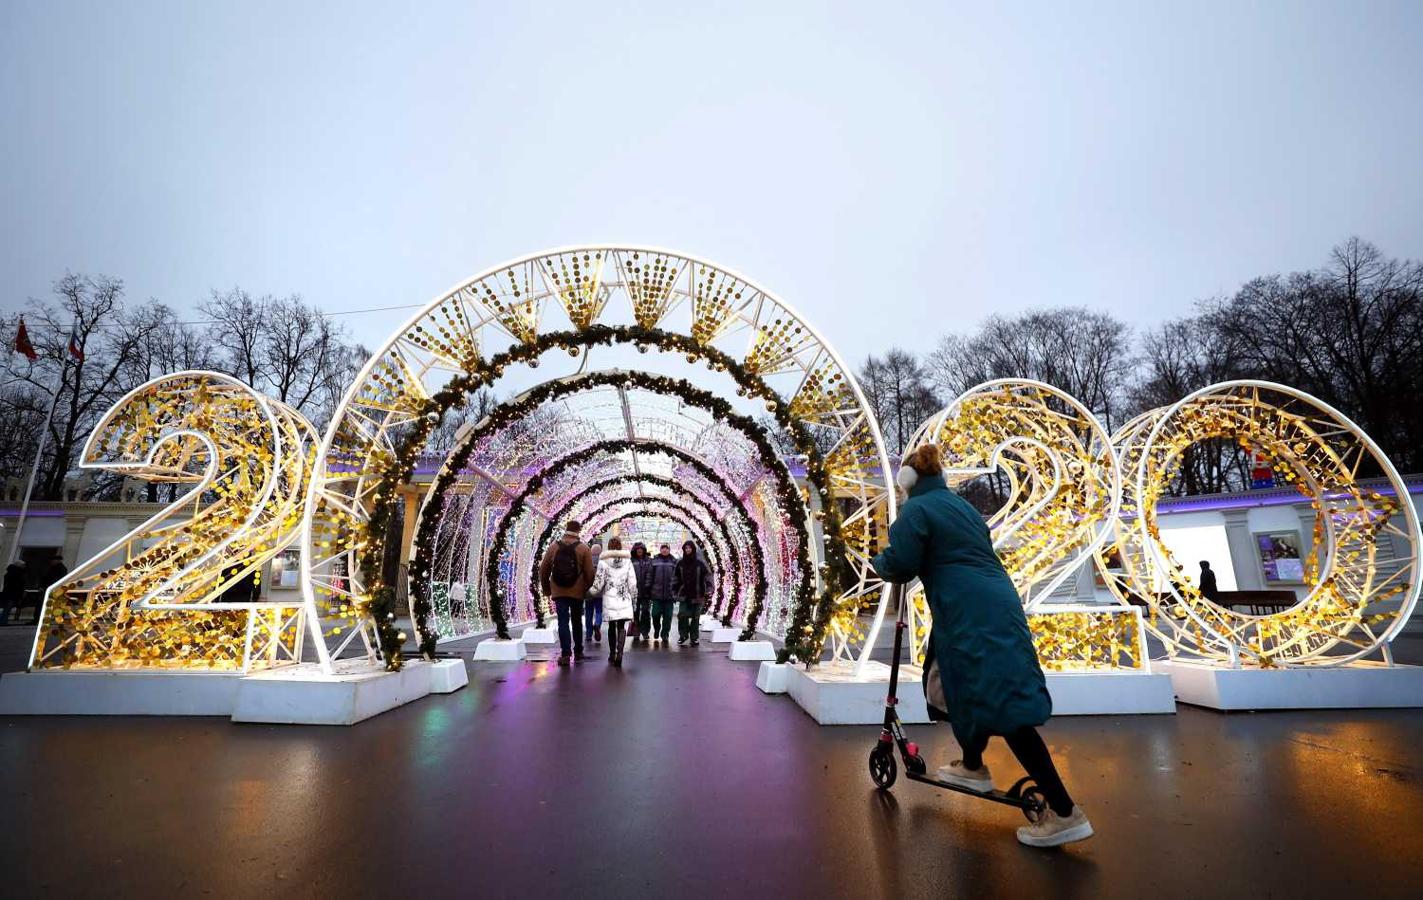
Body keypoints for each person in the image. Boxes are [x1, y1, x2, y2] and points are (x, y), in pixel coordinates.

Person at [871, 444, 1092, 849]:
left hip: (966, 611)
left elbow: (901, 561)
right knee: (958, 683)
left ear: (907, 481)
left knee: (1003, 702)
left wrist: (879, 563)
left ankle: (1064, 812)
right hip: (996, 603)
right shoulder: (963, 508)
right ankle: (972, 765)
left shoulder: (916, 511)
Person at [538, 520, 596, 666]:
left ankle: (565, 654)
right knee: (577, 621)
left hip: (559, 591)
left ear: (566, 529)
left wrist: (547, 589)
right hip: (577, 592)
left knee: (563, 622)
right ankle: (578, 651)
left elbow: (543, 570)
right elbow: (589, 572)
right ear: (578, 531)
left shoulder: (553, 547)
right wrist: (587, 589)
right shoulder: (583, 548)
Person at [589, 538, 638, 666]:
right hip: (623, 597)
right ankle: (620, 653)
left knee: (611, 626)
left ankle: (612, 653)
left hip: (610, 597)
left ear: (609, 547)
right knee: (621, 626)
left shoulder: (603, 562)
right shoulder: (627, 561)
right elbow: (632, 582)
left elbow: (598, 582)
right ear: (620, 546)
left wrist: (590, 592)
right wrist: (634, 597)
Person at [673, 540, 711, 646]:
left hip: (698, 594)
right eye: (686, 548)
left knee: (695, 617)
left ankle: (694, 638)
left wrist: (708, 588)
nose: (688, 550)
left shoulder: (700, 563)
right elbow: (675, 578)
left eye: (689, 548)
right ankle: (683, 635)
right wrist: (674, 591)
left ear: (693, 549)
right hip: (684, 594)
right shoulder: (680, 563)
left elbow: (708, 576)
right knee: (682, 615)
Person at [648, 544, 678, 644]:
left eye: (666, 549)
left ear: (669, 550)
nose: (665, 550)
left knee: (668, 617)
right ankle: (657, 629)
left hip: (670, 595)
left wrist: (676, 591)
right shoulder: (654, 561)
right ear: (660, 550)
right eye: (663, 549)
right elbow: (650, 576)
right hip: (656, 594)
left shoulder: (674, 561)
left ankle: (665, 634)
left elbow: (677, 577)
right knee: (655, 614)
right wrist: (649, 588)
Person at [630, 542, 653, 645]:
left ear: (644, 550)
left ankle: (645, 631)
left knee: (645, 612)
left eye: (641, 549)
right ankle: (636, 631)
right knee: (635, 613)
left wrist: (648, 587)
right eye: (637, 549)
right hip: (634, 592)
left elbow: (650, 574)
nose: (639, 550)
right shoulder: (631, 561)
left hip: (645, 592)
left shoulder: (649, 561)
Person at [584, 541, 604, 645]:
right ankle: (597, 624)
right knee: (599, 611)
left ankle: (588, 633)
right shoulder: (604, 562)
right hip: (599, 592)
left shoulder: (587, 560)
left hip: (588, 592)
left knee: (588, 612)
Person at [1, 559, 26, 626]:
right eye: (23, 565)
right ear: (19, 565)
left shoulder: (11, 572)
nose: (24, 566)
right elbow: (16, 584)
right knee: (7, 608)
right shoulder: (16, 573)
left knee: (7, 608)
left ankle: (3, 620)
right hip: (12, 593)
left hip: (9, 593)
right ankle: (3, 621)